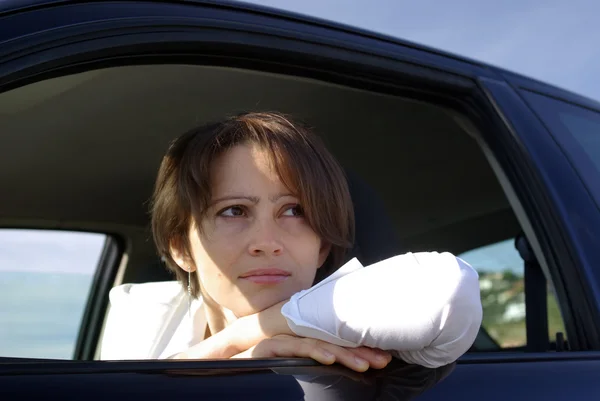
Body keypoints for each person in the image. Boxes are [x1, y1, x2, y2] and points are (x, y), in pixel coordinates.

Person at [100, 112, 482, 375]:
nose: (267, 243)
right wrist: (209, 357)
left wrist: (249, 331)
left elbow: (448, 291)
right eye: (233, 211)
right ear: (182, 247)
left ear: (321, 248)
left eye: (295, 211)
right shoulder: (139, 315)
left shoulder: (369, 319)